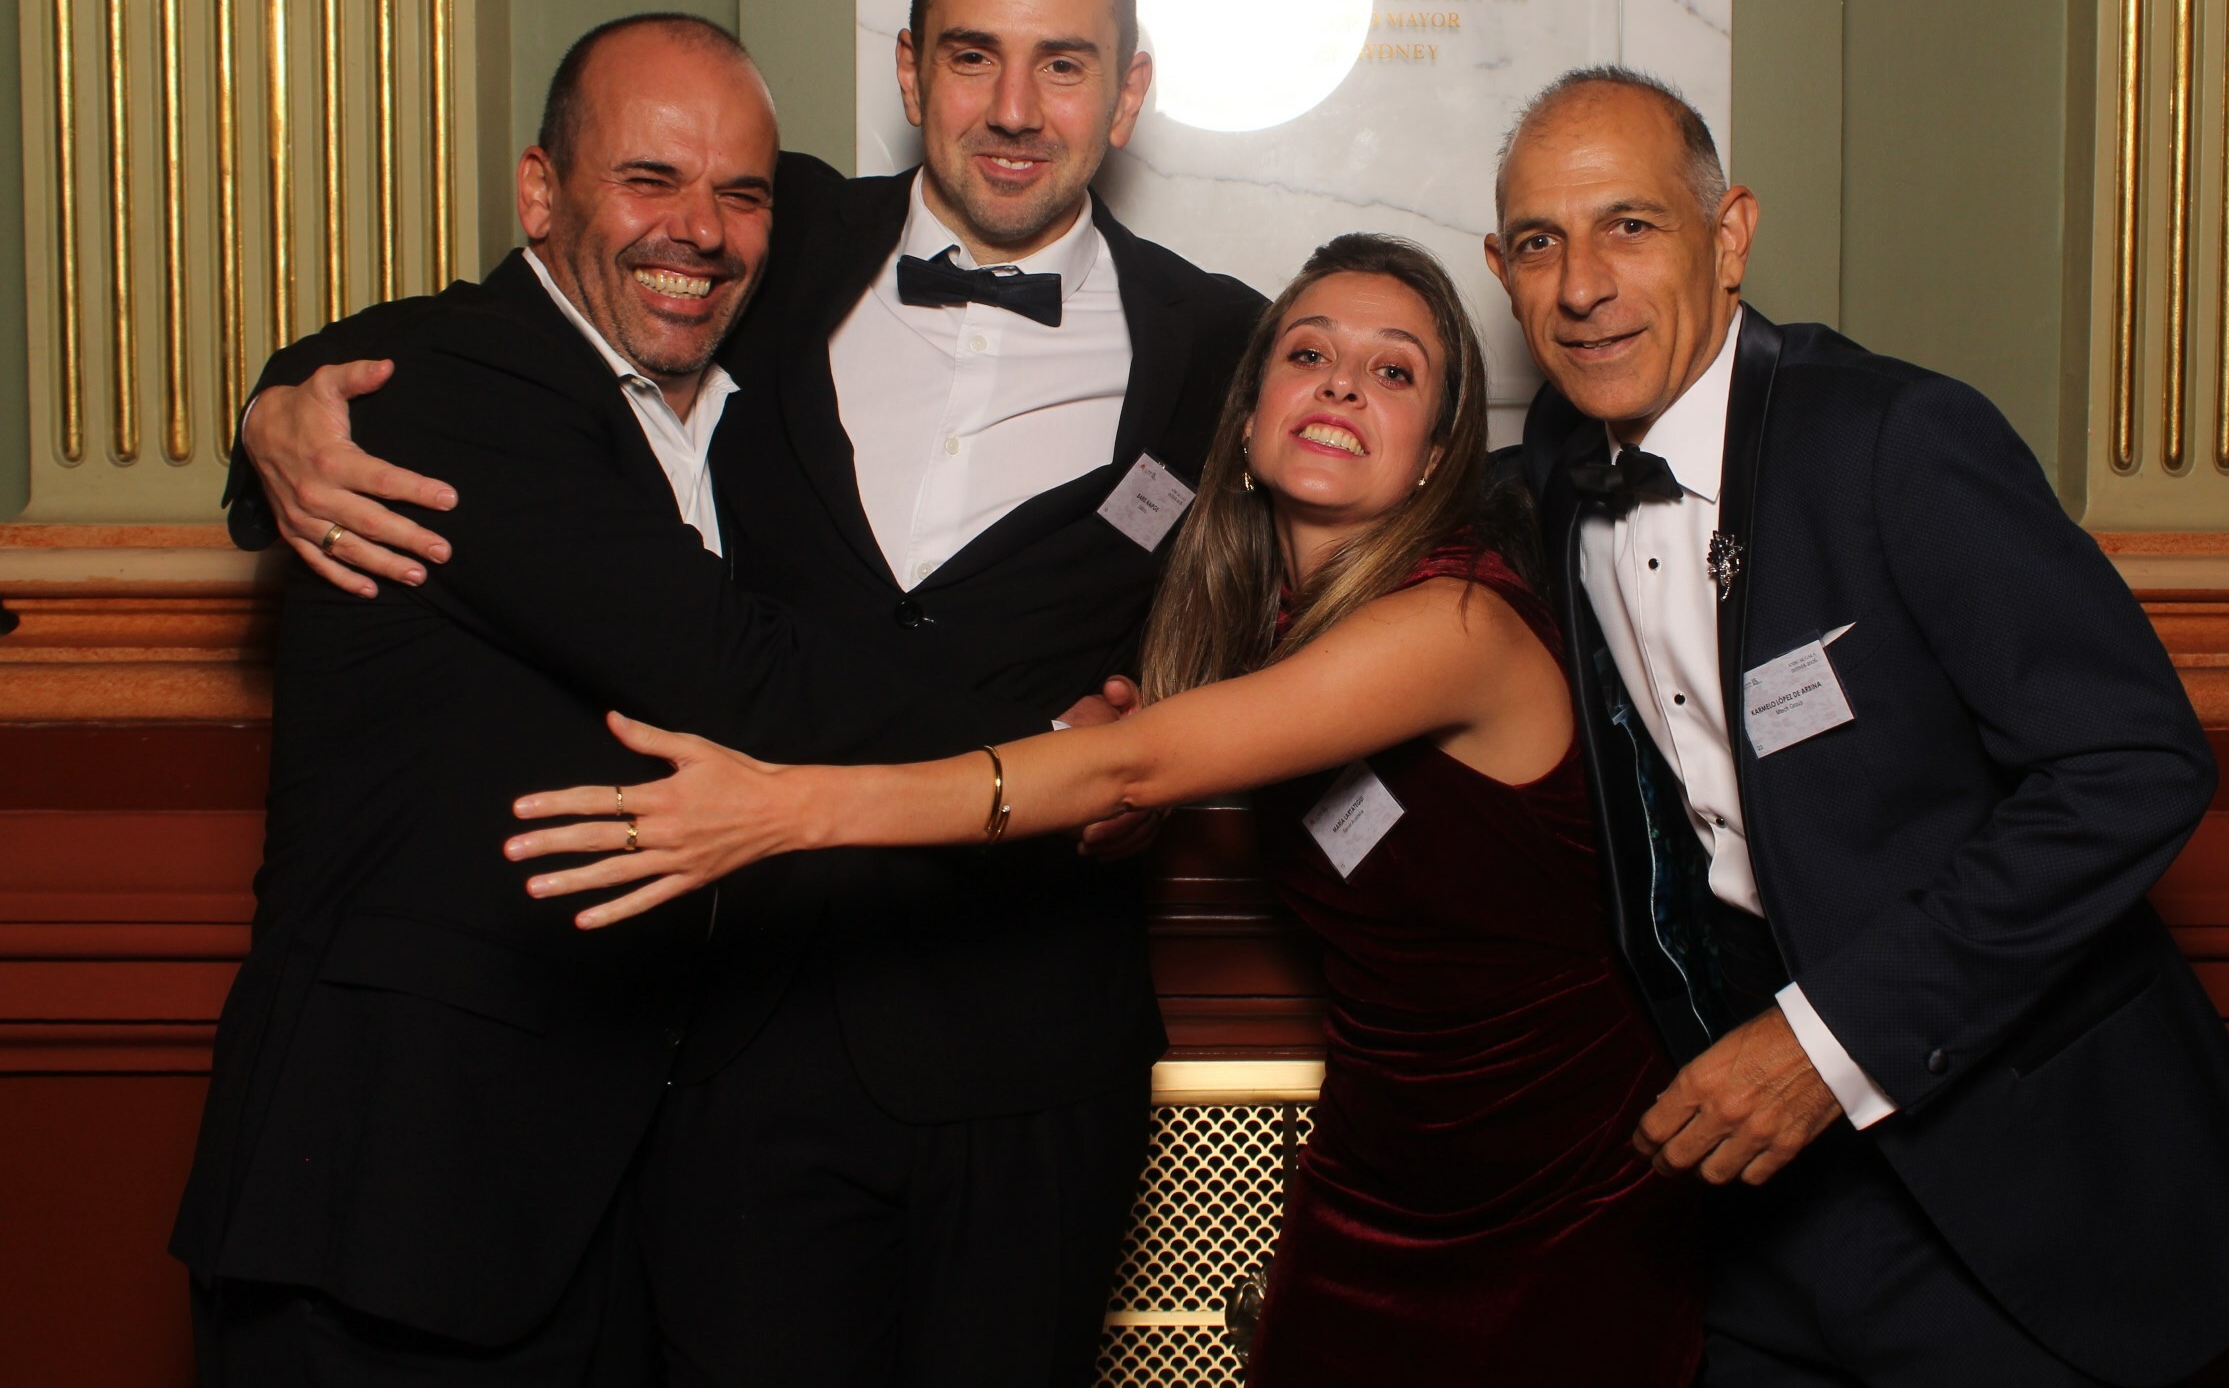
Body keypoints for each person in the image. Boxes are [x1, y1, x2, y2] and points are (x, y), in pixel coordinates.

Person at [223, 0, 1264, 1386]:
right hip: (729, 1047)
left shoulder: (1222, 344)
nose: (1015, 109)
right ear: (909, 71)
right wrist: (274, 415)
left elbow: (1368, 512)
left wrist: (1152, 756)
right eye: (973, 55)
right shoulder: (768, 239)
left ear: (1130, 90)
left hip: (1028, 1043)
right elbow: (467, 352)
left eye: (1065, 63)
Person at [505, 236, 1705, 1388]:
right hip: (1384, 1168)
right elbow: (1140, 751)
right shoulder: (1267, 629)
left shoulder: (1452, 623)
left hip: (1557, 1177)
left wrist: (780, 808)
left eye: (1395, 372)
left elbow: (1129, 769)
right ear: (1247, 422)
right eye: (1308, 353)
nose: (1342, 383)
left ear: (1438, 454)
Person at [1482, 66, 2229, 1386]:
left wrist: (1830, 1046)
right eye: (1540, 242)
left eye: (1630, 225)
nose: (1582, 284)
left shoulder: (1892, 439)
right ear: (1502, 271)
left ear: (1730, 236)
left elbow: (2131, 765)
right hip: (1740, 1204)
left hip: (2001, 1177)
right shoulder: (1547, 479)